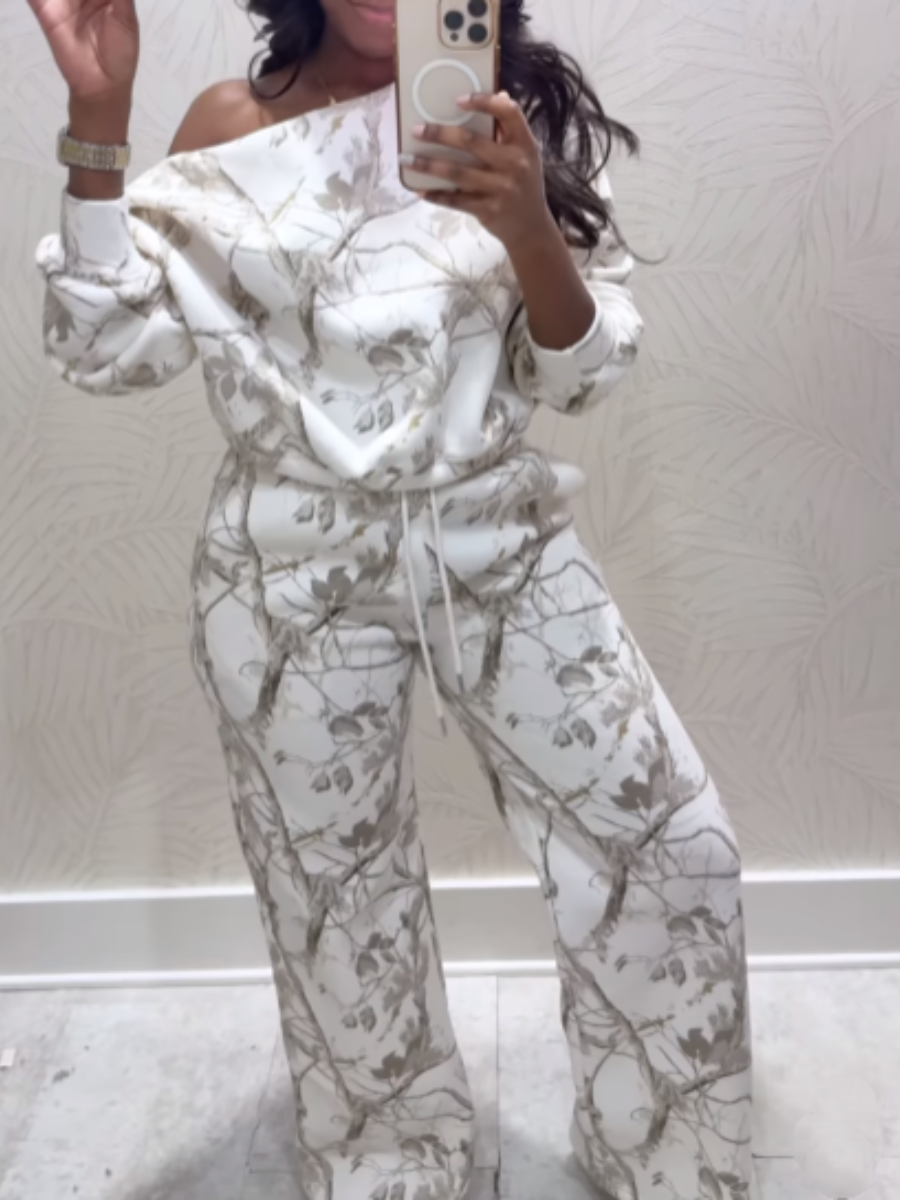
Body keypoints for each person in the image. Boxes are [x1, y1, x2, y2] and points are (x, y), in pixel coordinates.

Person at [28, 0, 754, 1197]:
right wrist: (96, 118)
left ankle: (670, 1159)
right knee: (335, 902)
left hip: (500, 540)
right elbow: (106, 350)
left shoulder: (510, 119)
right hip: (287, 574)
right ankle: (387, 1163)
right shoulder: (232, 127)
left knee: (674, 845)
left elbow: (584, 374)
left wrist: (529, 223)